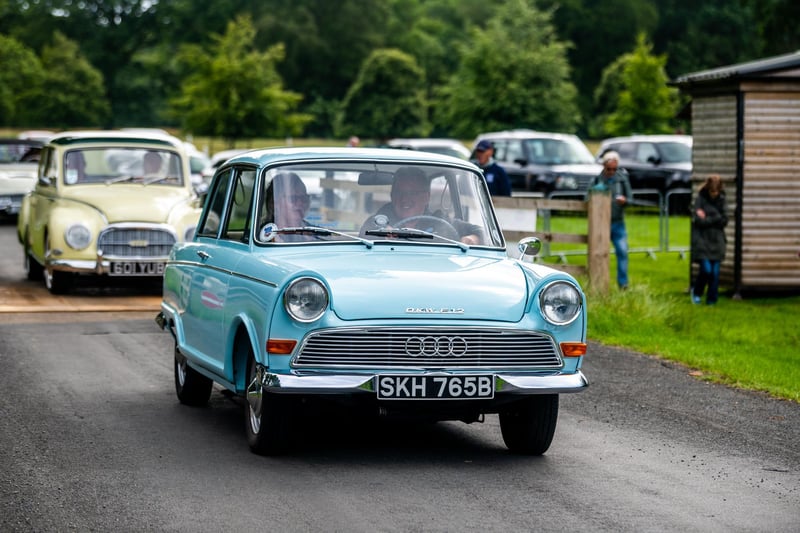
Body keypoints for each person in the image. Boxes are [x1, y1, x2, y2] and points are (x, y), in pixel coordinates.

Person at [360, 166, 482, 245]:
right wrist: (381, 235)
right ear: (392, 195)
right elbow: (365, 239)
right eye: (399, 192)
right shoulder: (377, 222)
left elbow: (481, 232)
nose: (405, 198)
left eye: (412, 193)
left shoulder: (440, 222)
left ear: (426, 197)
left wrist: (473, 238)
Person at [589, 151, 632, 289]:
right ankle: (599, 283)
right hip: (601, 225)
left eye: (615, 169)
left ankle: (623, 284)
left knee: (623, 251)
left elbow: (630, 199)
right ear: (604, 166)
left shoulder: (622, 179)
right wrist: (596, 193)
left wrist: (625, 201)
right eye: (609, 169)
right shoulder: (596, 180)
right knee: (599, 254)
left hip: (618, 223)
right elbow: (586, 199)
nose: (612, 172)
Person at [690, 174, 727, 305]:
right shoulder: (700, 199)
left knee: (715, 273)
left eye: (716, 192)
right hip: (702, 241)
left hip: (717, 242)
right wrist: (715, 216)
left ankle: (712, 299)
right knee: (706, 270)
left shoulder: (722, 199)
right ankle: (697, 292)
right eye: (712, 192)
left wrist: (708, 217)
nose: (714, 194)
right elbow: (698, 220)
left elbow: (724, 220)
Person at [261, 172, 311, 242]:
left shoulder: (315, 232)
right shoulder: (262, 237)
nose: (300, 203)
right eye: (293, 198)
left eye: (304, 198)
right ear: (274, 203)